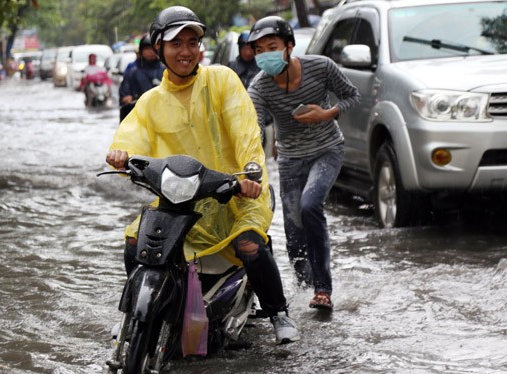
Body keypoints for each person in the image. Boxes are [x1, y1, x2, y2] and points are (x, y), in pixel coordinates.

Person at [106, 6, 300, 345]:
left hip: (234, 192)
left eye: (192, 42)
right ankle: (134, 314)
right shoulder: (150, 101)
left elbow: (245, 131)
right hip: (179, 198)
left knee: (249, 244)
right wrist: (120, 154)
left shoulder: (222, 80)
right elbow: (131, 136)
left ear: (201, 48)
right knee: (135, 242)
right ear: (160, 48)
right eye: (175, 43)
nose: (185, 51)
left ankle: (278, 311)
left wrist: (250, 175)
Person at [246, 16, 361, 310]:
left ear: (290, 47)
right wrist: (250, 161)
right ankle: (304, 288)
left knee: (311, 205)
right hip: (289, 159)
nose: (265, 55)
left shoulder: (321, 67)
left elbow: (352, 96)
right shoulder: (259, 87)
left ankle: (323, 289)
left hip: (327, 149)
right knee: (293, 228)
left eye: (271, 47)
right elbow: (253, 127)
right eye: (258, 50)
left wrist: (327, 113)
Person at [118, 34, 164, 121]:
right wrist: (128, 99)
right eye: (147, 49)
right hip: (139, 116)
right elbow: (124, 96)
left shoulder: (166, 71)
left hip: (162, 115)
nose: (150, 52)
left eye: (152, 49)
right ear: (141, 51)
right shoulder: (132, 72)